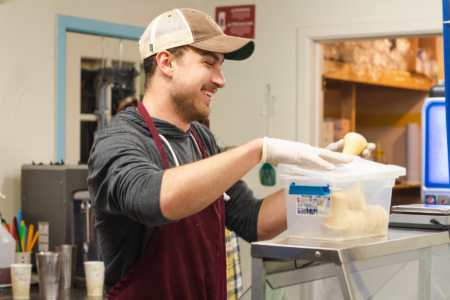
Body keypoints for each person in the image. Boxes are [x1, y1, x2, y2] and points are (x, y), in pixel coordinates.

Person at [87, 8, 375, 300]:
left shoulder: (202, 140)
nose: (220, 80)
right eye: (208, 63)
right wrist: (258, 149)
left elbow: (254, 221)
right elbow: (157, 199)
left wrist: (326, 178)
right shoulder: (120, 141)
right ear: (166, 62)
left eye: (220, 66)